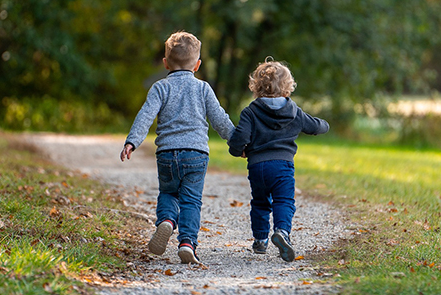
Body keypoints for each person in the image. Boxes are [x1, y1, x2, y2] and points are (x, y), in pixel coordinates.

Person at [120, 31, 235, 265]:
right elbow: (219, 119)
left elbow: (145, 116)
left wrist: (132, 141)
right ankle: (187, 243)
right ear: (197, 65)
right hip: (196, 154)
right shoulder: (203, 88)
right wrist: (237, 142)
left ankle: (167, 220)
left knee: (168, 192)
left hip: (166, 154)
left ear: (165, 63)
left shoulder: (160, 88)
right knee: (191, 201)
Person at [227, 56, 329, 262]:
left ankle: (260, 240)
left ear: (256, 87)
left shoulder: (250, 112)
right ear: (287, 88)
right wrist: (325, 124)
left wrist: (238, 151)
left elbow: (239, 138)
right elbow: (315, 126)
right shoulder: (294, 112)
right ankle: (282, 232)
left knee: (260, 202)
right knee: (284, 200)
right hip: (283, 167)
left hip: (257, 167)